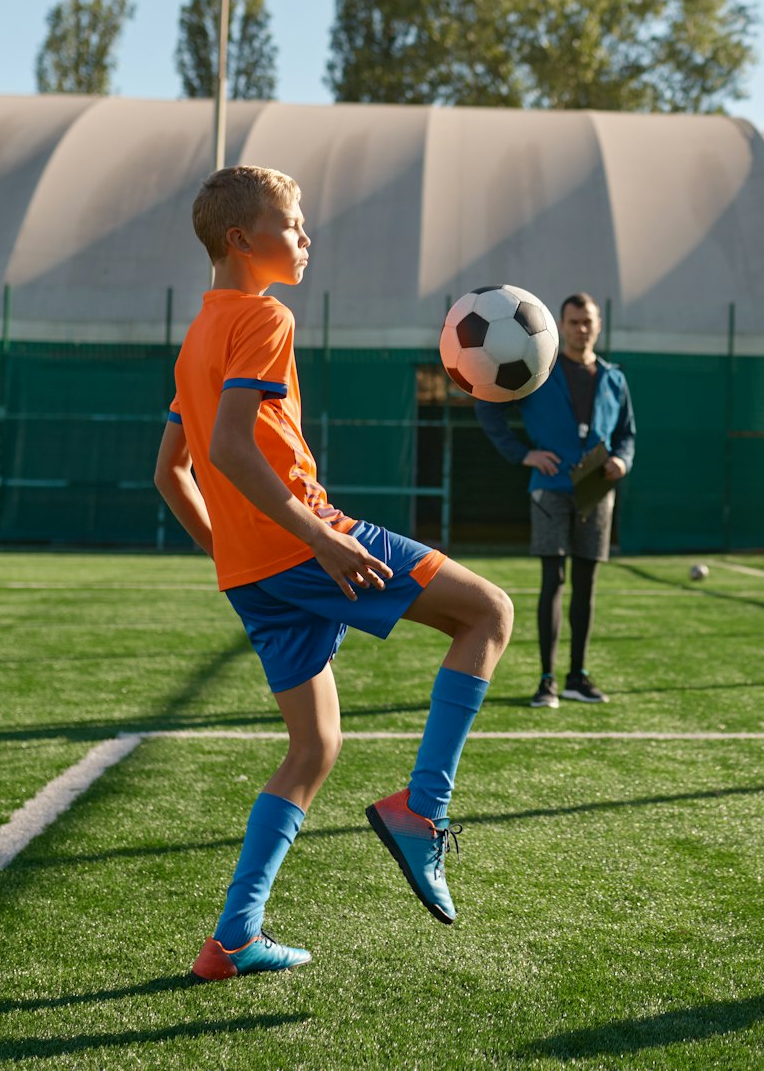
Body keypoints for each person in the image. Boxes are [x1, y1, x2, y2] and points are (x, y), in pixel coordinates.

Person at [154, 166, 513, 981]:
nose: (306, 236)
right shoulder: (265, 316)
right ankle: (423, 812)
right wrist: (318, 537)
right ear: (242, 239)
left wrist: (228, 551)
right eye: (292, 223)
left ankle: (233, 938)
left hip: (255, 571)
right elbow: (229, 447)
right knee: (489, 612)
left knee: (314, 747)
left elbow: (169, 471)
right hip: (304, 542)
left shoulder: (199, 332)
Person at [473, 292, 635, 709]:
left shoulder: (614, 378)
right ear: (561, 326)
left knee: (587, 584)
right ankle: (546, 680)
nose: (581, 329)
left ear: (598, 325)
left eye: (588, 321)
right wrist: (523, 454)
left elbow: (627, 435)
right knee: (554, 581)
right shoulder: (539, 369)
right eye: (574, 322)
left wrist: (622, 460)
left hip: (596, 490)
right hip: (550, 488)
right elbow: (487, 407)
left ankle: (577, 677)